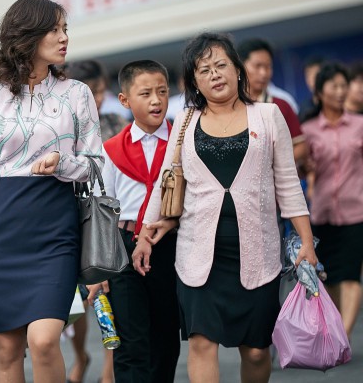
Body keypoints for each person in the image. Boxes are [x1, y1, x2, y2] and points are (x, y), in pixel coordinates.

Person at [133, 32, 317, 383]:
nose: (215, 74)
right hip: (198, 253)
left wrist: (306, 242)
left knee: (258, 349)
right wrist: (146, 232)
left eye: (221, 66)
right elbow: (165, 181)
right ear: (195, 82)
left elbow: (288, 184)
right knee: (202, 343)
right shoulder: (185, 122)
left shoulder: (268, 115)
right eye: (204, 70)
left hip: (258, 251)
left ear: (237, 71)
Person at [0, 0, 103, 382]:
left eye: (66, 29)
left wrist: (61, 163)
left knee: (46, 339)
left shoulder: (77, 93)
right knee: (7, 349)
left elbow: (96, 165)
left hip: (56, 230)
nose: (64, 38)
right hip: (3, 232)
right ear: (28, 35)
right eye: (55, 29)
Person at [89, 60, 180, 381]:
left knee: (166, 336)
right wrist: (98, 268)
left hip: (171, 244)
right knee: (130, 340)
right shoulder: (111, 150)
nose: (156, 100)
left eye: (162, 92)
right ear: (125, 100)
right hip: (123, 247)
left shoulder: (182, 144)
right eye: (145, 93)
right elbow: (102, 210)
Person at [63, 59, 120, 383]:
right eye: (91, 92)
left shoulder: (113, 123)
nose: (97, 99)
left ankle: (108, 371)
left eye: (100, 91)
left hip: (102, 219)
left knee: (104, 291)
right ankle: (80, 355)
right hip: (69, 218)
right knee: (75, 299)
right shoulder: (64, 126)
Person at [301, 62, 363, 339]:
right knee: (332, 278)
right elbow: (302, 169)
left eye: (343, 85)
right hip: (322, 212)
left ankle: (345, 335)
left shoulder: (360, 125)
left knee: (350, 275)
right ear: (320, 92)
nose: (340, 91)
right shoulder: (310, 129)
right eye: (334, 86)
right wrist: (306, 167)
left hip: (357, 211)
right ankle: (337, 328)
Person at [237, 38, 307, 169]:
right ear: (240, 66)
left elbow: (301, 146)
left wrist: (274, 163)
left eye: (268, 67)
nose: (263, 73)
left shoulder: (281, 104)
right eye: (257, 66)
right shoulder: (230, 105)